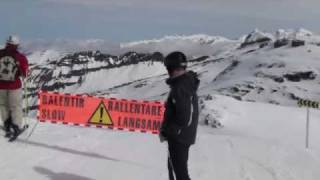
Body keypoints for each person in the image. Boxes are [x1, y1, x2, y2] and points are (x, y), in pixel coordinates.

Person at [160, 51, 200, 180]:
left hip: (179, 138)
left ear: (171, 68)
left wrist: (168, 131)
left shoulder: (180, 87)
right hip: (182, 136)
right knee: (175, 169)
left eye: (168, 68)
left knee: (180, 173)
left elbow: (184, 117)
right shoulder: (185, 83)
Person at [0, 35, 29, 138]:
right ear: (16, 45)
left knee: (3, 105)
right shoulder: (20, 57)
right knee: (15, 106)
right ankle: (16, 127)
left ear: (7, 43)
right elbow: (25, 73)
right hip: (14, 86)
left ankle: (7, 125)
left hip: (1, 86)